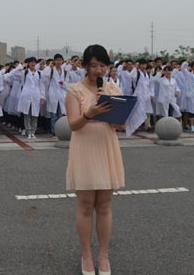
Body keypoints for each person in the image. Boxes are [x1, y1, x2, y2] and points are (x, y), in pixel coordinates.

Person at [65, 44, 124, 275]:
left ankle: (104, 255)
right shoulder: (74, 90)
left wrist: (112, 113)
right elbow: (73, 125)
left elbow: (120, 125)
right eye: (93, 66)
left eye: (102, 65)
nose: (99, 70)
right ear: (85, 67)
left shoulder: (113, 89)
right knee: (86, 205)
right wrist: (90, 112)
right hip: (85, 147)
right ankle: (87, 255)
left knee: (105, 205)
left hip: (106, 146)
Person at [10, 57, 46, 139]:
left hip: (36, 96)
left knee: (35, 115)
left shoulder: (39, 73)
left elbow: (42, 86)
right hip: (26, 96)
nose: (33, 64)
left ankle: (33, 132)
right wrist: (21, 66)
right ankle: (28, 131)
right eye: (31, 62)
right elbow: (13, 74)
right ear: (28, 63)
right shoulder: (24, 72)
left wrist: (42, 97)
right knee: (27, 114)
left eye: (34, 62)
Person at [43, 54, 70, 136]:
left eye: (60, 60)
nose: (58, 62)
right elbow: (44, 77)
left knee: (61, 114)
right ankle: (54, 131)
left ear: (62, 61)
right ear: (54, 61)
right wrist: (49, 67)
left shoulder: (65, 72)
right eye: (57, 60)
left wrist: (63, 83)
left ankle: (60, 131)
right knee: (53, 115)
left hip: (62, 95)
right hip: (53, 95)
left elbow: (67, 85)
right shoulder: (51, 70)